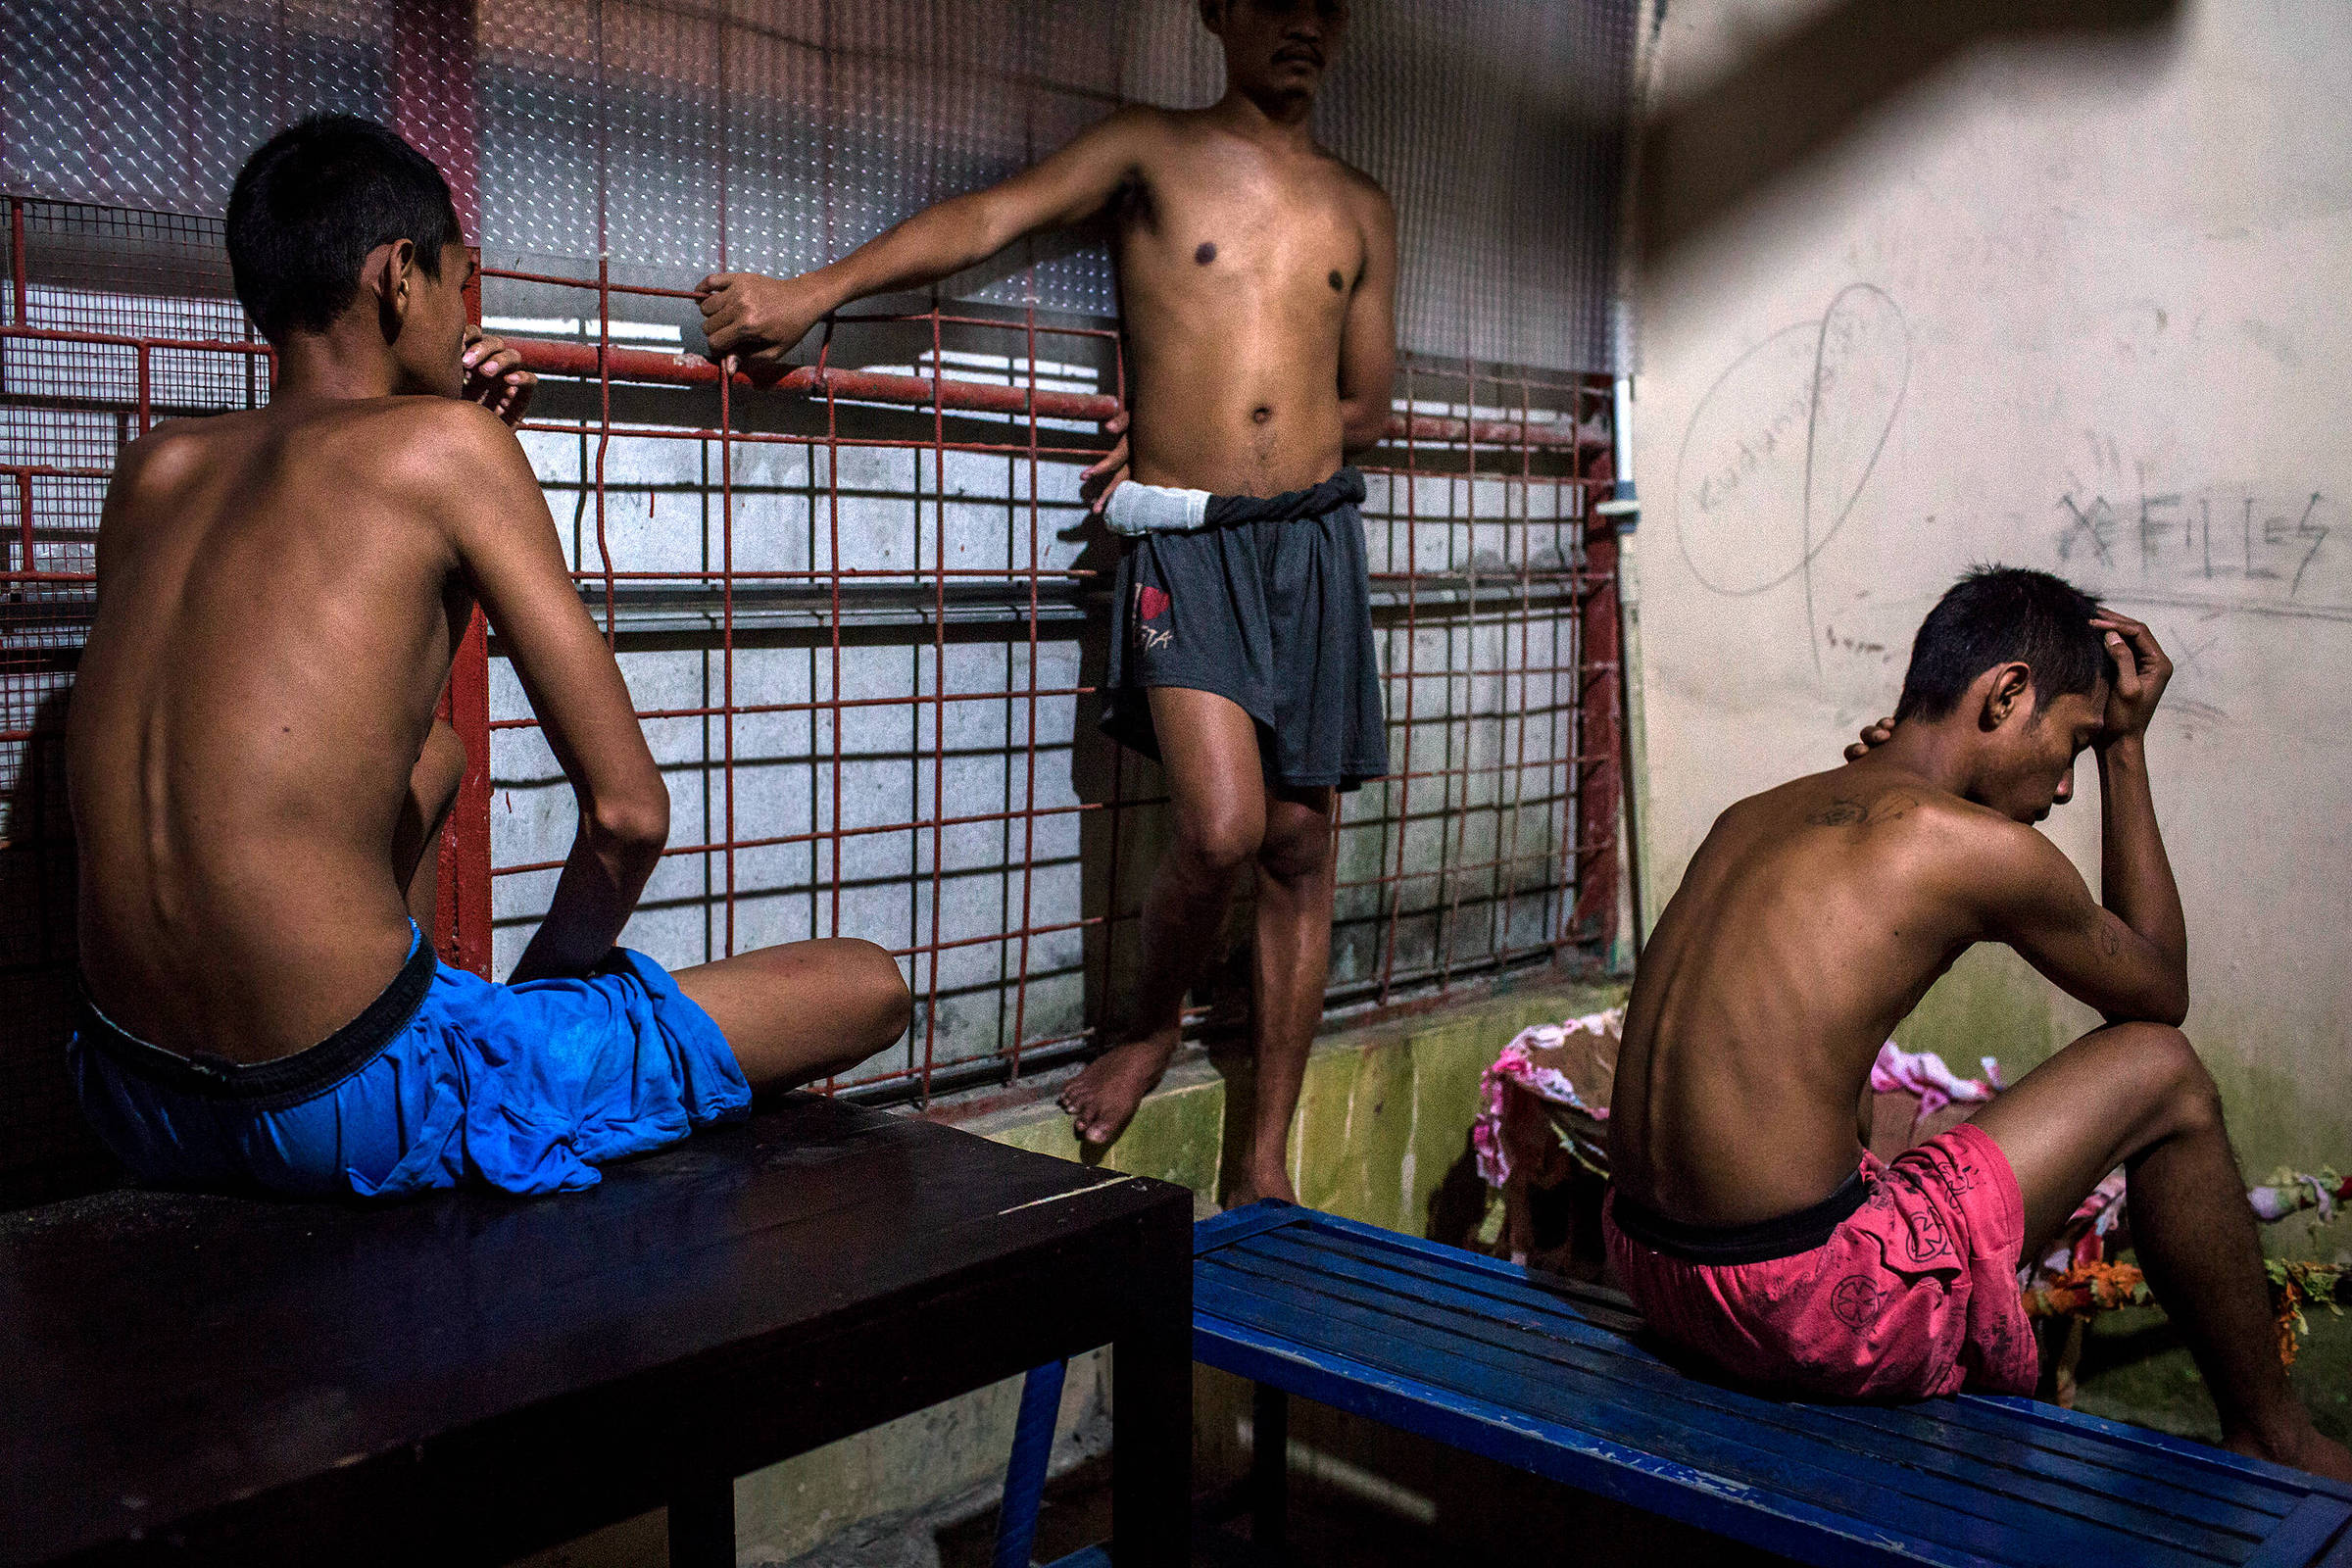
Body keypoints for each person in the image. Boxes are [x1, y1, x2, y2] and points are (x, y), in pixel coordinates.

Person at [64, 116, 911, 1200]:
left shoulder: (152, 472)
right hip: (340, 1102)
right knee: (866, 985)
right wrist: (545, 1017)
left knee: (435, 754)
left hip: (130, 1095)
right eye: (462, 283)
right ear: (399, 276)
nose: (471, 315)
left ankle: (430, 1030)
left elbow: (350, 703)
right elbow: (629, 814)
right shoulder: (453, 450)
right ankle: (459, 1065)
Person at [698, 0, 1395, 1203]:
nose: (1303, 26)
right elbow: (988, 220)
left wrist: (1246, 434)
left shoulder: (1363, 203)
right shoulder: (1151, 149)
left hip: (1313, 547)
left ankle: (1263, 1161)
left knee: (1299, 846)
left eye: (1324, 6)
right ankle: (1149, 1025)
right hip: (1189, 544)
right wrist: (818, 291)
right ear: (1217, 11)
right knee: (1222, 826)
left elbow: (1367, 396)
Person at [1605, 566, 2352, 1480]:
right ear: (2006, 694)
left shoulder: (1752, 818)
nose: (2067, 787)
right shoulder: (1968, 847)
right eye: (2074, 741)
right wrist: (2129, 749)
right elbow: (2157, 991)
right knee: (2163, 1069)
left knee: (1882, 1115)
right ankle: (2278, 1441)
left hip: (1652, 1271)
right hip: (1801, 1310)